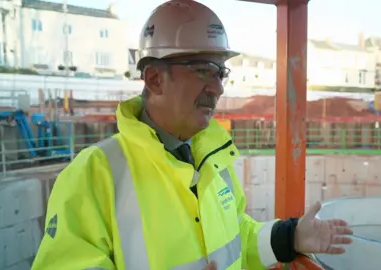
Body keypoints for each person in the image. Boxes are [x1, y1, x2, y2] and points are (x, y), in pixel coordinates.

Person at [31, 1, 353, 269]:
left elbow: (233, 240)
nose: (217, 88)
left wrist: (290, 237)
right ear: (155, 79)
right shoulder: (95, 175)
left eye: (220, 72)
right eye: (202, 70)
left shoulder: (213, 158)